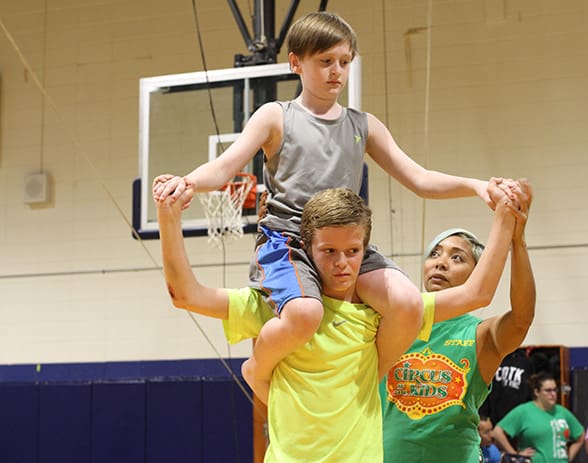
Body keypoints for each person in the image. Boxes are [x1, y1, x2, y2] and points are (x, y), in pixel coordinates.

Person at [152, 10, 518, 402]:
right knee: (305, 314)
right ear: (296, 62)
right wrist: (188, 181)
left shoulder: (363, 125)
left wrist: (476, 186)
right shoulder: (277, 116)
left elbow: (419, 178)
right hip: (289, 241)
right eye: (325, 62)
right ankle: (256, 368)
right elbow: (226, 166)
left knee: (409, 303)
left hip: (345, 241)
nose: (336, 72)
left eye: (344, 62)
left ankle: (369, 378)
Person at [158, 184, 523, 462]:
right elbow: (186, 294)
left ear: (366, 250)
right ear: (306, 247)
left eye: (353, 251)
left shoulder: (379, 316)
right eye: (328, 251)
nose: (342, 264)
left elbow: (477, 293)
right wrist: (168, 218)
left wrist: (506, 218)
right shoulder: (279, 308)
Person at [380, 179, 535, 463]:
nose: (441, 262)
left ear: (478, 272)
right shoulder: (391, 318)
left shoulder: (478, 333)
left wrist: (518, 240)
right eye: (434, 254)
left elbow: (522, 320)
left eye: (457, 257)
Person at [492, 373, 585, 462]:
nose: (553, 394)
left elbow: (580, 435)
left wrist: (570, 455)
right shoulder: (524, 411)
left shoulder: (562, 412)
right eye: (548, 390)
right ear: (537, 392)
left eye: (555, 390)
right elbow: (497, 432)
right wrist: (516, 455)